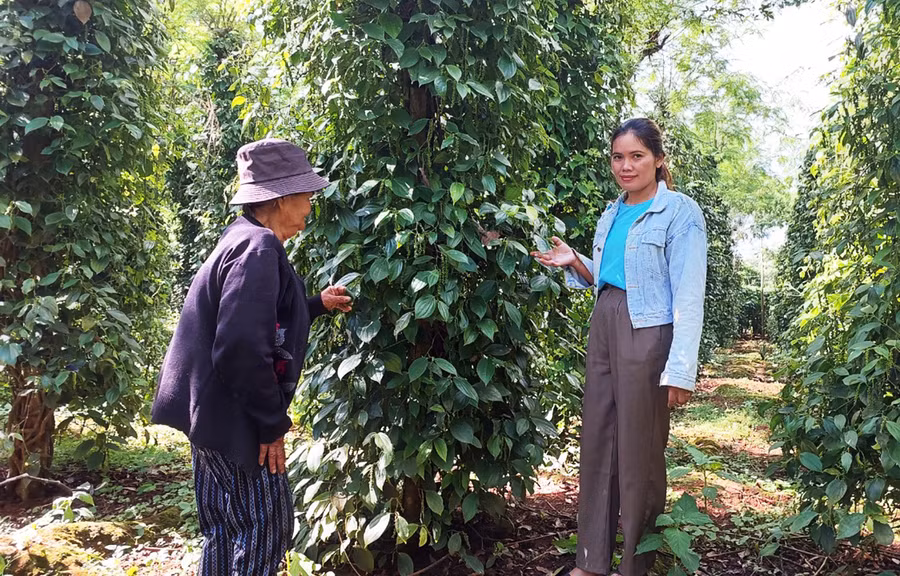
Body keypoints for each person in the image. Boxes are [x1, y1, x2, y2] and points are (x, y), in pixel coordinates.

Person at [151, 138, 353, 576]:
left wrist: (315, 304)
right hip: (236, 417)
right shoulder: (259, 248)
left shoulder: (241, 236)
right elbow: (241, 349)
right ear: (280, 198)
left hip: (210, 414)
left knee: (224, 529)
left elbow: (257, 317)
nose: (309, 206)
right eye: (306, 195)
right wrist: (271, 425)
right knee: (265, 528)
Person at [532, 118, 708, 576]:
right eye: (617, 157)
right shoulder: (612, 213)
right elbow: (614, 274)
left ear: (658, 159)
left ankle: (635, 563)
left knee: (639, 450)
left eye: (636, 156)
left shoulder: (679, 212)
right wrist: (577, 262)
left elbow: (688, 291)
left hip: (647, 330)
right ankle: (591, 561)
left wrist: (680, 368)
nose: (625, 166)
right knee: (597, 439)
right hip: (604, 321)